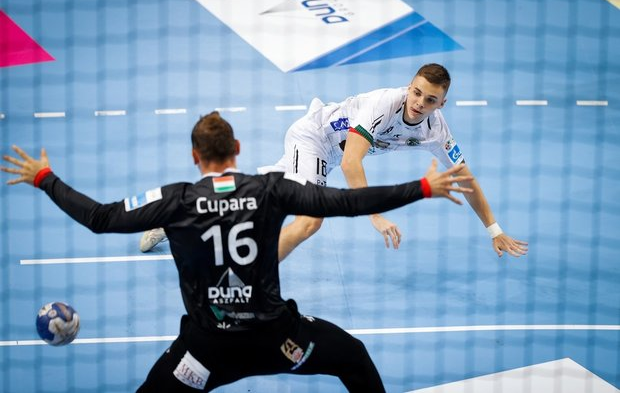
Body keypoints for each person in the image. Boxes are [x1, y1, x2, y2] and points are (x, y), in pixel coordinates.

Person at [2, 111, 473, 392]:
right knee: (353, 357)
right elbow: (347, 203)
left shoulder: (176, 200)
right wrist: (422, 187)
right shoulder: (271, 189)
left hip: (206, 352)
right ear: (238, 148)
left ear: (195, 157)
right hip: (281, 343)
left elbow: (100, 218)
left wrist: (45, 179)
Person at [140, 64, 528, 260]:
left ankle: (177, 214)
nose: (418, 103)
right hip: (314, 138)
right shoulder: (383, 105)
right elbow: (351, 162)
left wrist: (494, 229)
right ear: (409, 87)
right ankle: (254, 278)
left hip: (326, 154)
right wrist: (374, 214)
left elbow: (465, 179)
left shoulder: (437, 131)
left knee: (258, 189)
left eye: (429, 100)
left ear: (441, 103)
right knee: (311, 219)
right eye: (416, 92)